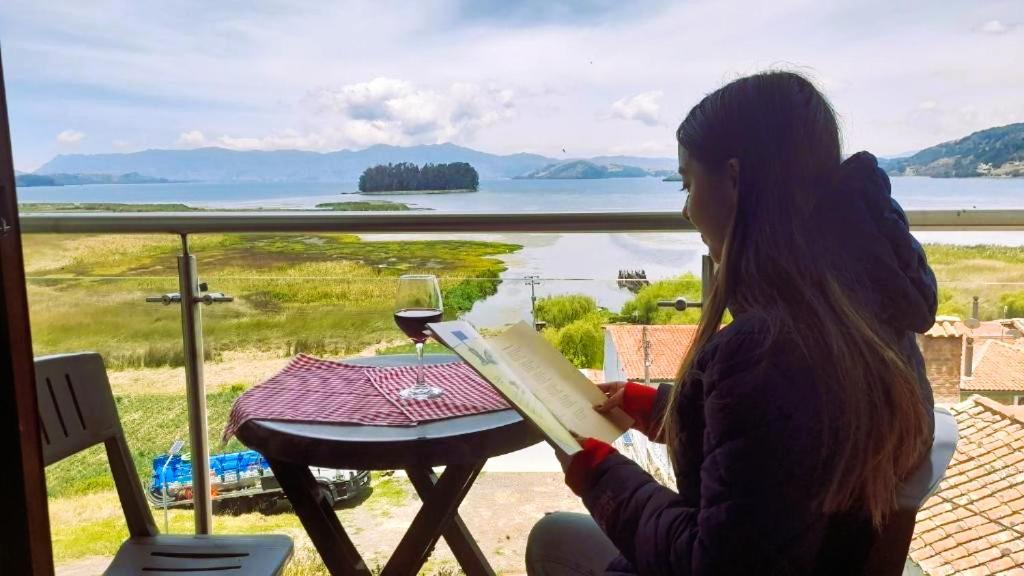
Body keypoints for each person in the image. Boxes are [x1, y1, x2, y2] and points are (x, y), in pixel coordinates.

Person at [526, 71, 937, 576]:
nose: (686, 210)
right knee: (555, 537)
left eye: (688, 183)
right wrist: (659, 407)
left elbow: (714, 560)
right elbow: (780, 451)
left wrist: (600, 476)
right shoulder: (867, 309)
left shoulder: (765, 355)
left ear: (735, 181)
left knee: (549, 540)